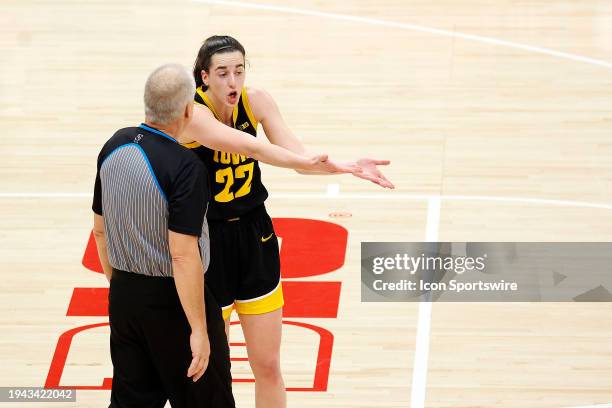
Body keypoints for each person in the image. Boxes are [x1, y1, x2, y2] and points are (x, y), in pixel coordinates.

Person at [178, 35, 394, 408]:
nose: (233, 81)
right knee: (211, 369)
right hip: (208, 243)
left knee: (269, 364)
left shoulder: (256, 101)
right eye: (223, 73)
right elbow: (251, 147)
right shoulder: (192, 114)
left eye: (239, 71)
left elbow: (299, 156)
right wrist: (302, 162)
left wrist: (345, 166)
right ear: (204, 78)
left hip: (255, 236)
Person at [91, 63, 235, 407]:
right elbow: (183, 254)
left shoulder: (114, 144)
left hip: (124, 298)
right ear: (188, 110)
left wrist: (123, 288)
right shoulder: (186, 167)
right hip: (175, 304)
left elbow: (100, 232)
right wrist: (198, 330)